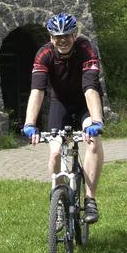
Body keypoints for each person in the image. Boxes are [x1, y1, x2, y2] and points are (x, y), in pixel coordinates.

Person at [23, 12, 104, 223]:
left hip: (85, 104)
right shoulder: (44, 54)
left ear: (75, 34)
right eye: (57, 36)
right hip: (60, 104)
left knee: (93, 142)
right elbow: (37, 91)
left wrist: (96, 121)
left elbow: (90, 88)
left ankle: (90, 200)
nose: (62, 40)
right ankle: (58, 202)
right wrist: (30, 123)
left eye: (67, 35)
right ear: (51, 38)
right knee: (55, 152)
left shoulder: (86, 48)